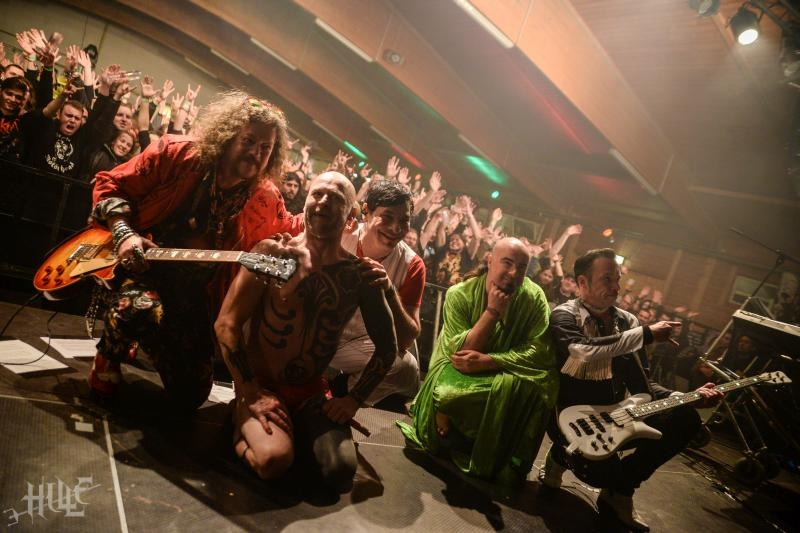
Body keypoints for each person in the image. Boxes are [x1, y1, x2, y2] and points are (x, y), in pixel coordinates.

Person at [87, 90, 302, 411]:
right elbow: (109, 184)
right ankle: (110, 353)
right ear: (228, 135)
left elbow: (290, 226)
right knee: (138, 308)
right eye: (248, 141)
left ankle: (144, 335)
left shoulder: (265, 196)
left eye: (265, 148)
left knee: (191, 395)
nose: (256, 153)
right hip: (139, 272)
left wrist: (334, 214)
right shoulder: (177, 154)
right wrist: (124, 234)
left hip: (194, 294)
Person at [214, 171, 398, 492]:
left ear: (351, 214)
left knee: (339, 473)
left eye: (335, 198)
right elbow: (226, 324)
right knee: (273, 461)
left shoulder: (358, 275)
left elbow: (388, 347)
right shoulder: (273, 254)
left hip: (312, 394)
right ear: (306, 203)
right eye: (317, 194)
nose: (323, 202)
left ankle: (292, 431)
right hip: (262, 387)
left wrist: (353, 400)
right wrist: (250, 391)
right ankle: (240, 420)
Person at [543, 248, 722, 531]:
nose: (615, 287)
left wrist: (681, 397)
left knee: (686, 419)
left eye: (617, 279)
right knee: (600, 474)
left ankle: (620, 493)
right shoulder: (564, 315)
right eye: (607, 279)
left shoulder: (628, 322)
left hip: (616, 415)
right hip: (570, 416)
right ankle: (560, 455)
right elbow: (581, 350)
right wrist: (645, 334)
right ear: (582, 283)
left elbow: (644, 385)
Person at [399, 237, 559, 484]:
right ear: (490, 260)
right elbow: (461, 354)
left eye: (521, 267)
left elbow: (540, 350)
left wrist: (492, 361)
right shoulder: (460, 293)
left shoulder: (534, 297)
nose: (514, 273)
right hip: (458, 367)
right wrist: (492, 312)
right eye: (507, 263)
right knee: (448, 394)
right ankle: (446, 418)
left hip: (504, 368)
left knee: (541, 389)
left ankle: (491, 449)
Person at [331, 180, 425, 404]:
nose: (395, 228)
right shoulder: (340, 232)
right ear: (366, 211)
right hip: (314, 332)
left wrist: (389, 291)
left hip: (355, 345)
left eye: (404, 221)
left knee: (407, 369)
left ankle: (339, 393)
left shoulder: (412, 265)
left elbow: (406, 339)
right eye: (387, 217)